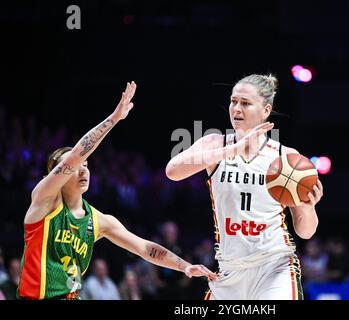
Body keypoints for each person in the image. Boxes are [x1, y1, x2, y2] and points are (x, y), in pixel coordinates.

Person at [17, 81, 217, 300]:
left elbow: (144, 248)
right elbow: (76, 155)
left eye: (86, 166)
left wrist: (185, 266)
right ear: (56, 177)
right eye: (75, 168)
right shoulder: (44, 201)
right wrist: (114, 119)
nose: (83, 170)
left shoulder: (98, 221)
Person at [166, 74, 323, 300]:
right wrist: (232, 150)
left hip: (274, 266)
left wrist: (308, 208)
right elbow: (172, 171)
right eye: (233, 101)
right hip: (229, 270)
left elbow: (306, 232)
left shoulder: (286, 158)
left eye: (245, 103)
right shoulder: (215, 144)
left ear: (266, 111)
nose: (236, 109)